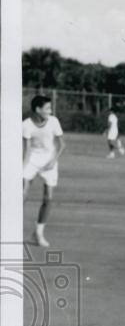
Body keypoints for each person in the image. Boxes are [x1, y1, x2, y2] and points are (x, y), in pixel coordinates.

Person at [22, 95, 65, 248]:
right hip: (32, 159)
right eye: (47, 108)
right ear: (37, 109)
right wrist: (23, 167)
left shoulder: (54, 121)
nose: (50, 110)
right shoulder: (26, 124)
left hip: (49, 160)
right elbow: (27, 149)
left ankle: (38, 234)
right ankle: (10, 229)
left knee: (48, 198)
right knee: (21, 195)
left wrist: (53, 161)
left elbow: (61, 144)